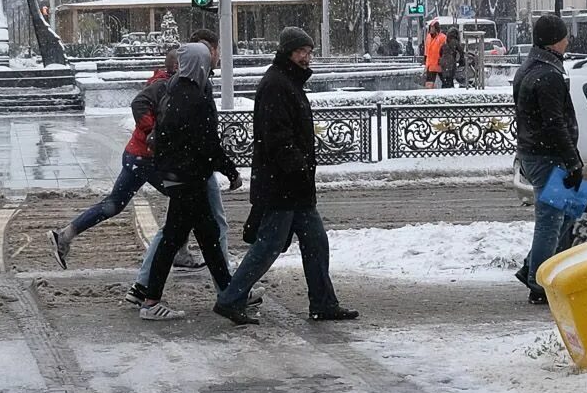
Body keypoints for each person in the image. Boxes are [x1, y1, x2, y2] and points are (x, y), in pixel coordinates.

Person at [214, 28, 357, 325]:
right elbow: (277, 136)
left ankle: (323, 303)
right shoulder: (277, 84)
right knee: (268, 246)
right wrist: (298, 166)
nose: (307, 57)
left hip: (295, 186)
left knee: (316, 242)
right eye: (301, 51)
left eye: (309, 51)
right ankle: (230, 299)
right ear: (288, 52)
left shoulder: (287, 80)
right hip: (283, 185)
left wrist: (301, 169)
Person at [125, 28, 232, 302]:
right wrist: (227, 168)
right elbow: (203, 139)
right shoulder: (191, 91)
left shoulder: (186, 88)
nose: (214, 57)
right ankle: (149, 295)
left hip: (185, 172)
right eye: (209, 53)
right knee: (182, 234)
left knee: (199, 232)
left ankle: (230, 293)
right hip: (190, 173)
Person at [50, 48, 179, 268]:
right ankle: (178, 251)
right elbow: (139, 106)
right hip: (147, 158)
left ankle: (65, 235)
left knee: (114, 204)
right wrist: (153, 133)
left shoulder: (165, 84)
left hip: (137, 157)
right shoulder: (164, 86)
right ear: (176, 67)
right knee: (184, 197)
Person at [513, 13, 582, 304]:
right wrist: (573, 160)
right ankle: (538, 284)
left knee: (571, 209)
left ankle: (532, 267)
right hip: (548, 156)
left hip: (534, 152)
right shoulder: (549, 75)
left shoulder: (530, 67)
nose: (568, 41)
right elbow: (555, 123)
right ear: (555, 41)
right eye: (565, 36)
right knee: (551, 219)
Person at [423, 20, 446, 88]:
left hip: (439, 63)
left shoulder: (442, 37)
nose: (431, 29)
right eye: (430, 27)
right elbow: (427, 50)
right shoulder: (428, 37)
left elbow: (444, 50)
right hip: (430, 64)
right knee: (429, 84)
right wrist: (425, 59)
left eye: (433, 27)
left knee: (445, 82)